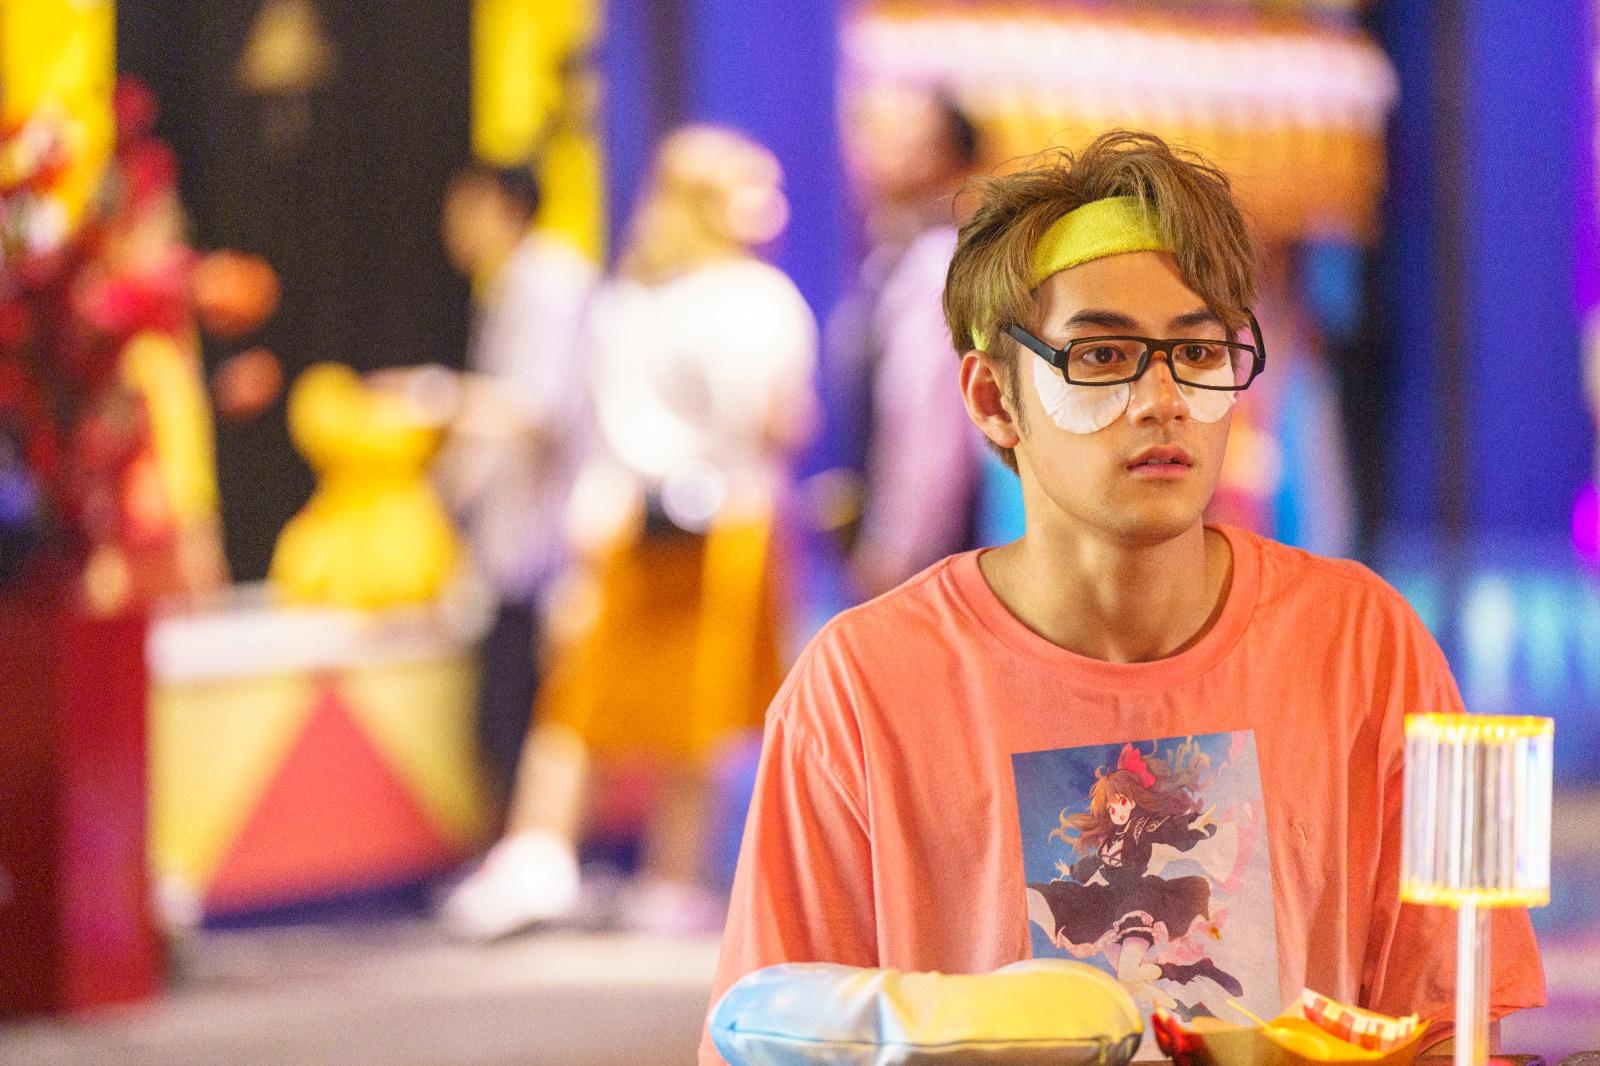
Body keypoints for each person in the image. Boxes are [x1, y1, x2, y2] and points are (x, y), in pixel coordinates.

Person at [702, 130, 1544, 1062]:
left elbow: (1447, 1027)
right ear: (993, 400)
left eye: (1201, 350)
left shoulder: (1360, 645)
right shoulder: (865, 686)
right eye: (1103, 355)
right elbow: (772, 1033)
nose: (1162, 398)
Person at [443, 125, 817, 940]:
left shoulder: (629, 297)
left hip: (619, 519)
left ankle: (539, 857)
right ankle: (668, 879)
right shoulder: (760, 299)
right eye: (752, 188)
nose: (771, 205)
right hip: (727, 522)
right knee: (699, 717)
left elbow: (594, 421)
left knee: (578, 703)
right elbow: (775, 421)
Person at [429, 162, 598, 809]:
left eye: (463, 209)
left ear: (503, 206)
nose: (452, 227)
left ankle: (530, 847)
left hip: (549, 545)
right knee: (505, 718)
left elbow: (534, 407)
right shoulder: (514, 283)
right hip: (518, 548)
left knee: (530, 719)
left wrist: (434, 399)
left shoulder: (549, 280)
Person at [825, 87, 986, 598]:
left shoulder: (939, 263)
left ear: (947, 160)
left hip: (923, 556)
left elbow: (928, 421)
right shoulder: (896, 252)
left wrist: (894, 548)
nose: (875, 153)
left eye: (906, 141)